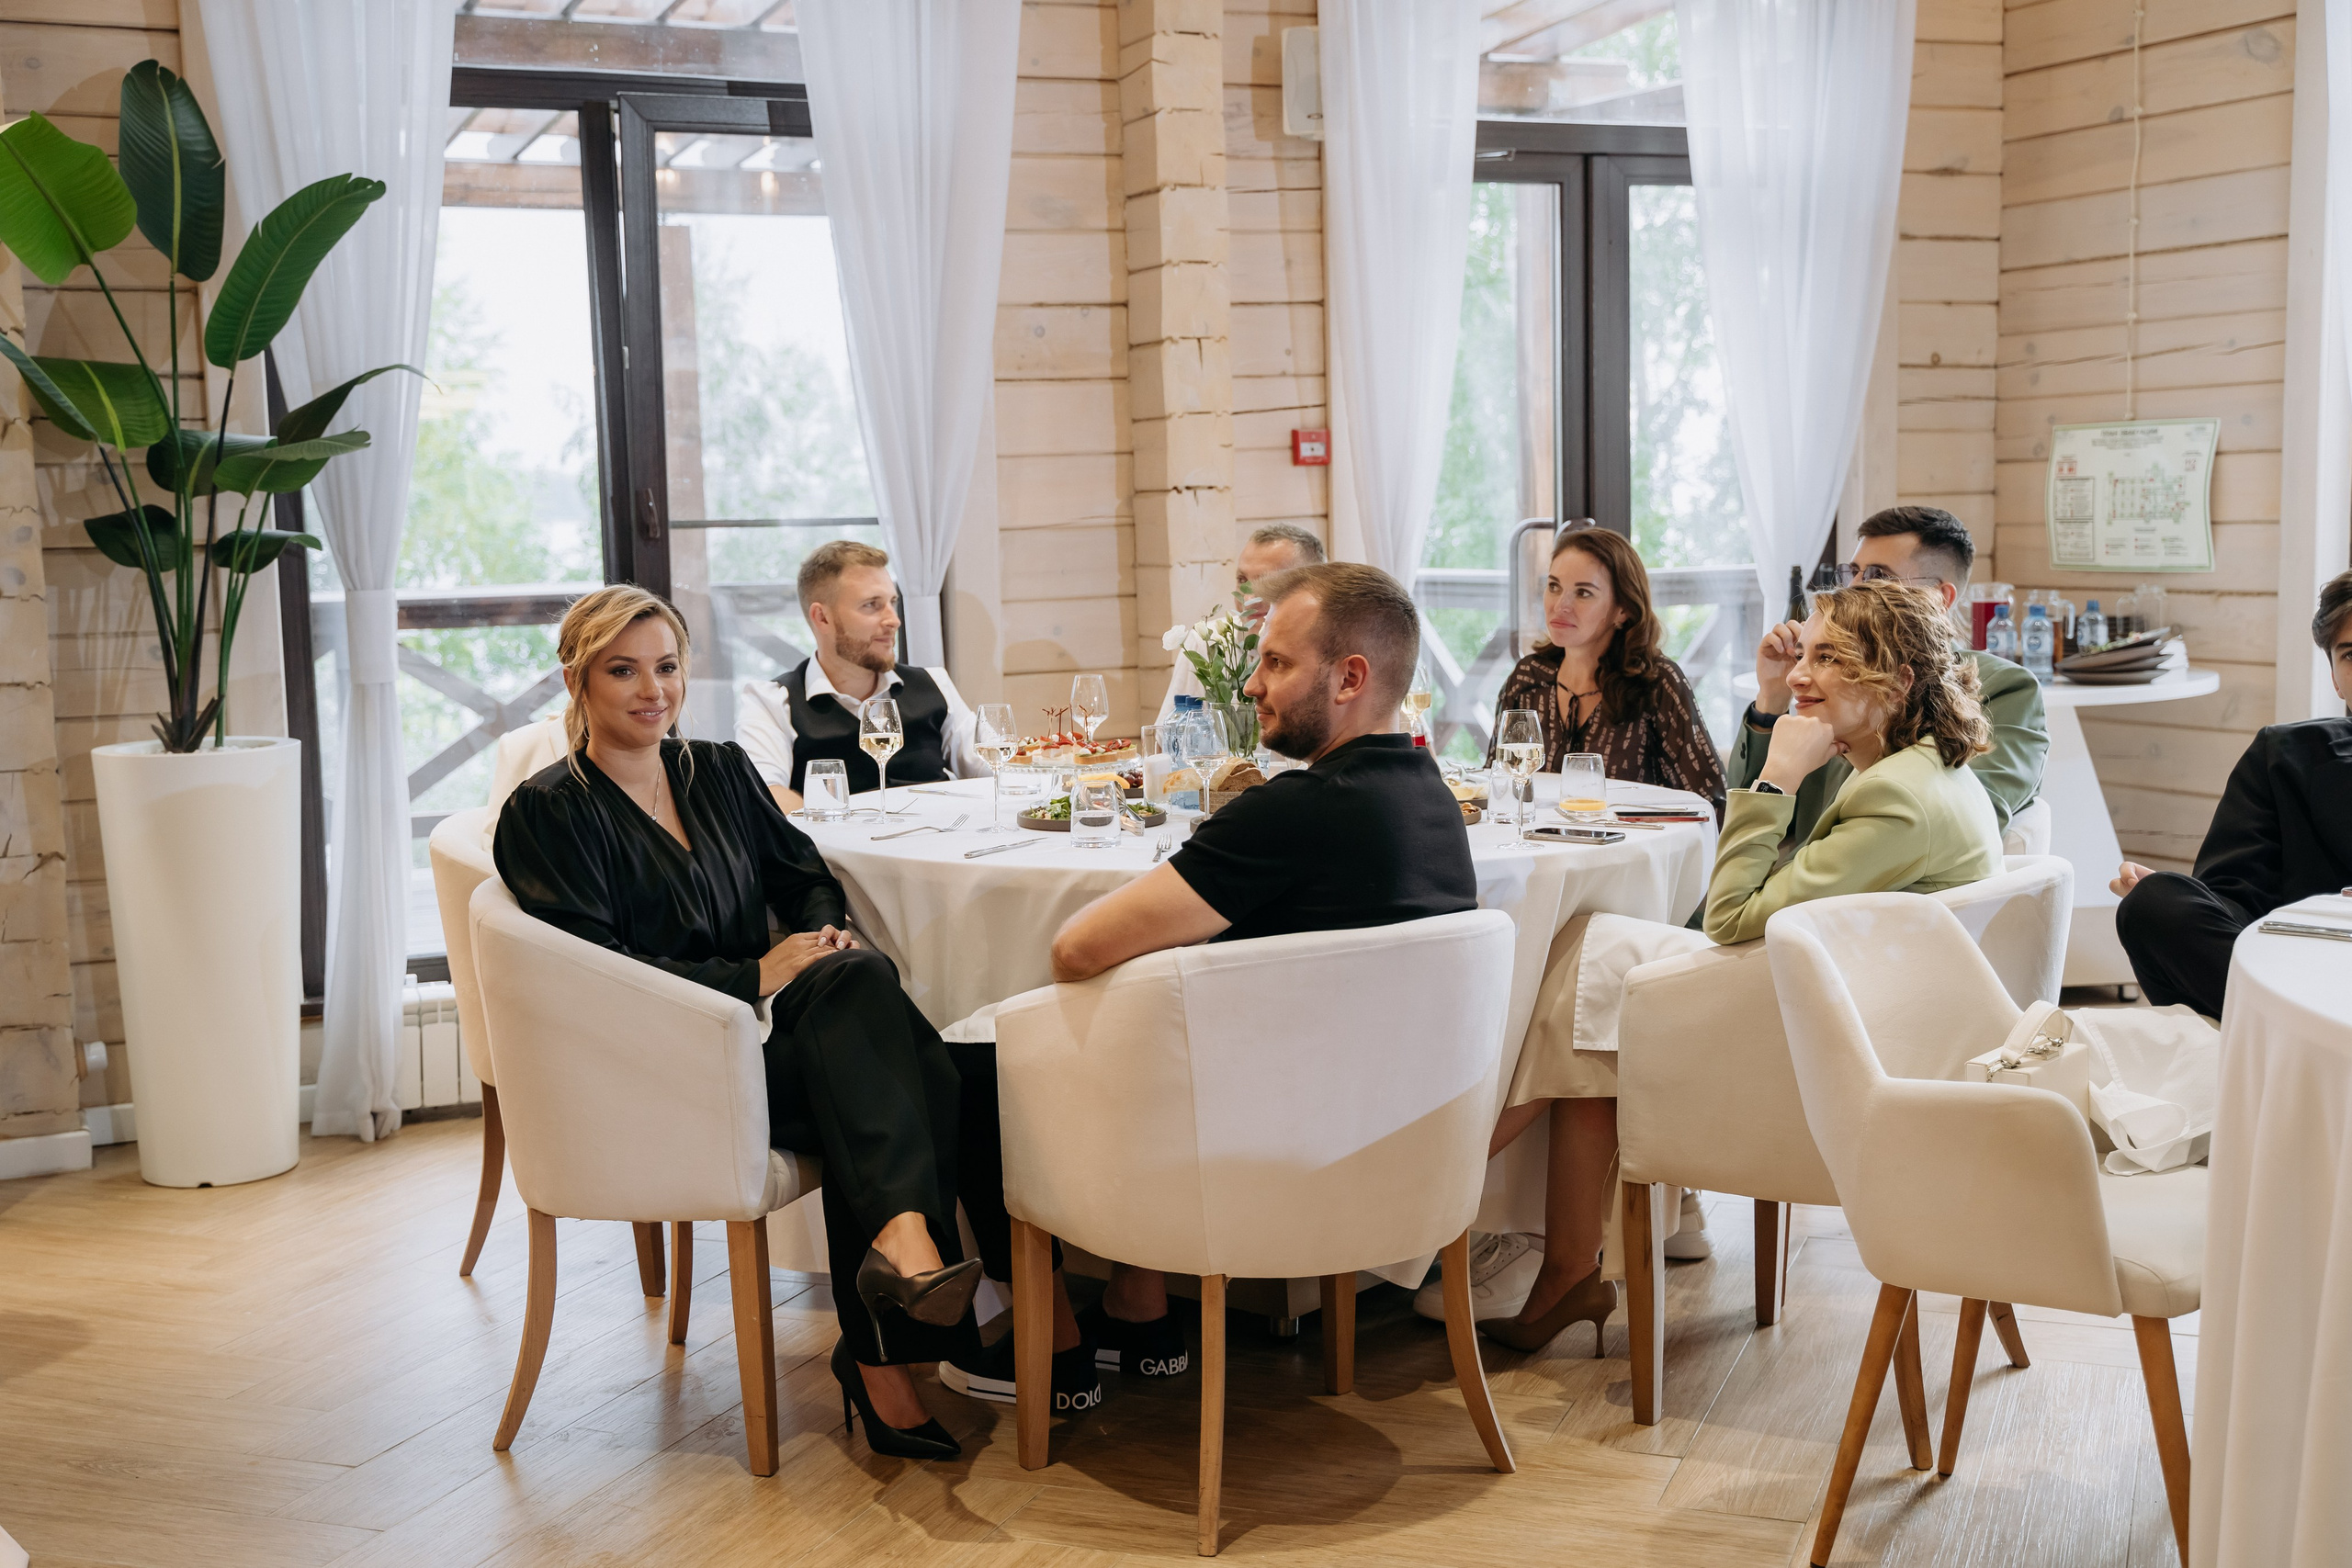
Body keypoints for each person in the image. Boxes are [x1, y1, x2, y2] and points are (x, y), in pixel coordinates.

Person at [494, 586, 1086, 1461]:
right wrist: (754, 971)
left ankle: (897, 1300)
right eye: (624, 671)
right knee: (926, 1067)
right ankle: (1016, 1312)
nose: (652, 690)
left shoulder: (717, 770)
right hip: (661, 1068)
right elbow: (595, 979)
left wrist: (821, 931)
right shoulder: (549, 811)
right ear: (577, 680)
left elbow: (803, 874)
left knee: (908, 1037)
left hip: (763, 1044)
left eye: (667, 667)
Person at [1475, 581, 2005, 1353]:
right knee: (1594, 979)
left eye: (1828, 658)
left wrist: (1775, 780)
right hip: (1873, 1013)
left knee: (1584, 963)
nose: (1799, 675)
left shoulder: (1896, 797)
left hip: (1838, 1056)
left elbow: (1727, 918)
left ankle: (1461, 1188)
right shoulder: (1927, 771)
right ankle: (1557, 1253)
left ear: (1894, 683)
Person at [1049, 562, 1478, 1377]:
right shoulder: (1430, 797)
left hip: (1267, 1152)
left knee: (982, 1059)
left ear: (1350, 676)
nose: (1250, 684)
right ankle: (1136, 1306)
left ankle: (1047, 1345)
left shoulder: (1294, 812)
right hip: (1401, 1141)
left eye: (1277, 662)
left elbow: (1076, 948)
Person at [2111, 570, 2352, 1020]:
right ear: (2336, 678)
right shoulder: (2282, 755)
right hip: (2297, 976)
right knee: (2154, 904)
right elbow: (2234, 899)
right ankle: (2302, 1032)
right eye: (2351, 655)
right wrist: (2175, 896)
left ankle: (2292, 1037)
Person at [1733, 505, 2046, 840]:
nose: (1852, 589)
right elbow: (1749, 814)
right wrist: (1772, 699)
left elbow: (1970, 818)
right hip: (1802, 874)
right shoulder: (1820, 681)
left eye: (1876, 576)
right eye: (1852, 572)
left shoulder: (2006, 687)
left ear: (1938, 598)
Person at [1484, 525, 1726, 819]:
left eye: (1583, 593)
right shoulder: (1527, 679)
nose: (1560, 605)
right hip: (1537, 858)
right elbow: (1495, 788)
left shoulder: (1657, 684)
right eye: (1553, 586)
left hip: (1631, 858)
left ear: (1622, 610)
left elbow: (1711, 803)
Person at [737, 540, 990, 813]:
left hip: (941, 846)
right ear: (822, 618)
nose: (893, 620)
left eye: (892, 602)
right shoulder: (771, 701)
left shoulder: (934, 683)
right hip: (834, 855)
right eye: (872, 605)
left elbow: (991, 769)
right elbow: (765, 796)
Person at [1154, 521, 1328, 729]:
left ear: (1314, 585)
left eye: (1268, 582)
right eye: (1242, 579)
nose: (1249, 597)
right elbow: (1166, 741)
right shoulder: (1207, 643)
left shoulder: (1332, 648)